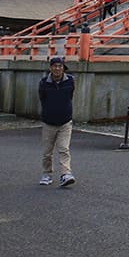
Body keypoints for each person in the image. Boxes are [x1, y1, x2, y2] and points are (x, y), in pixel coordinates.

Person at [38, 56, 76, 188]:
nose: (57, 69)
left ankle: (66, 173)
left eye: (60, 66)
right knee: (47, 151)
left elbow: (70, 96)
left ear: (63, 68)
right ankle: (46, 173)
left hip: (65, 121)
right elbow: (42, 98)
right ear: (50, 68)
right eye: (55, 66)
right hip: (48, 121)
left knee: (64, 148)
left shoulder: (70, 81)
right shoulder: (44, 82)